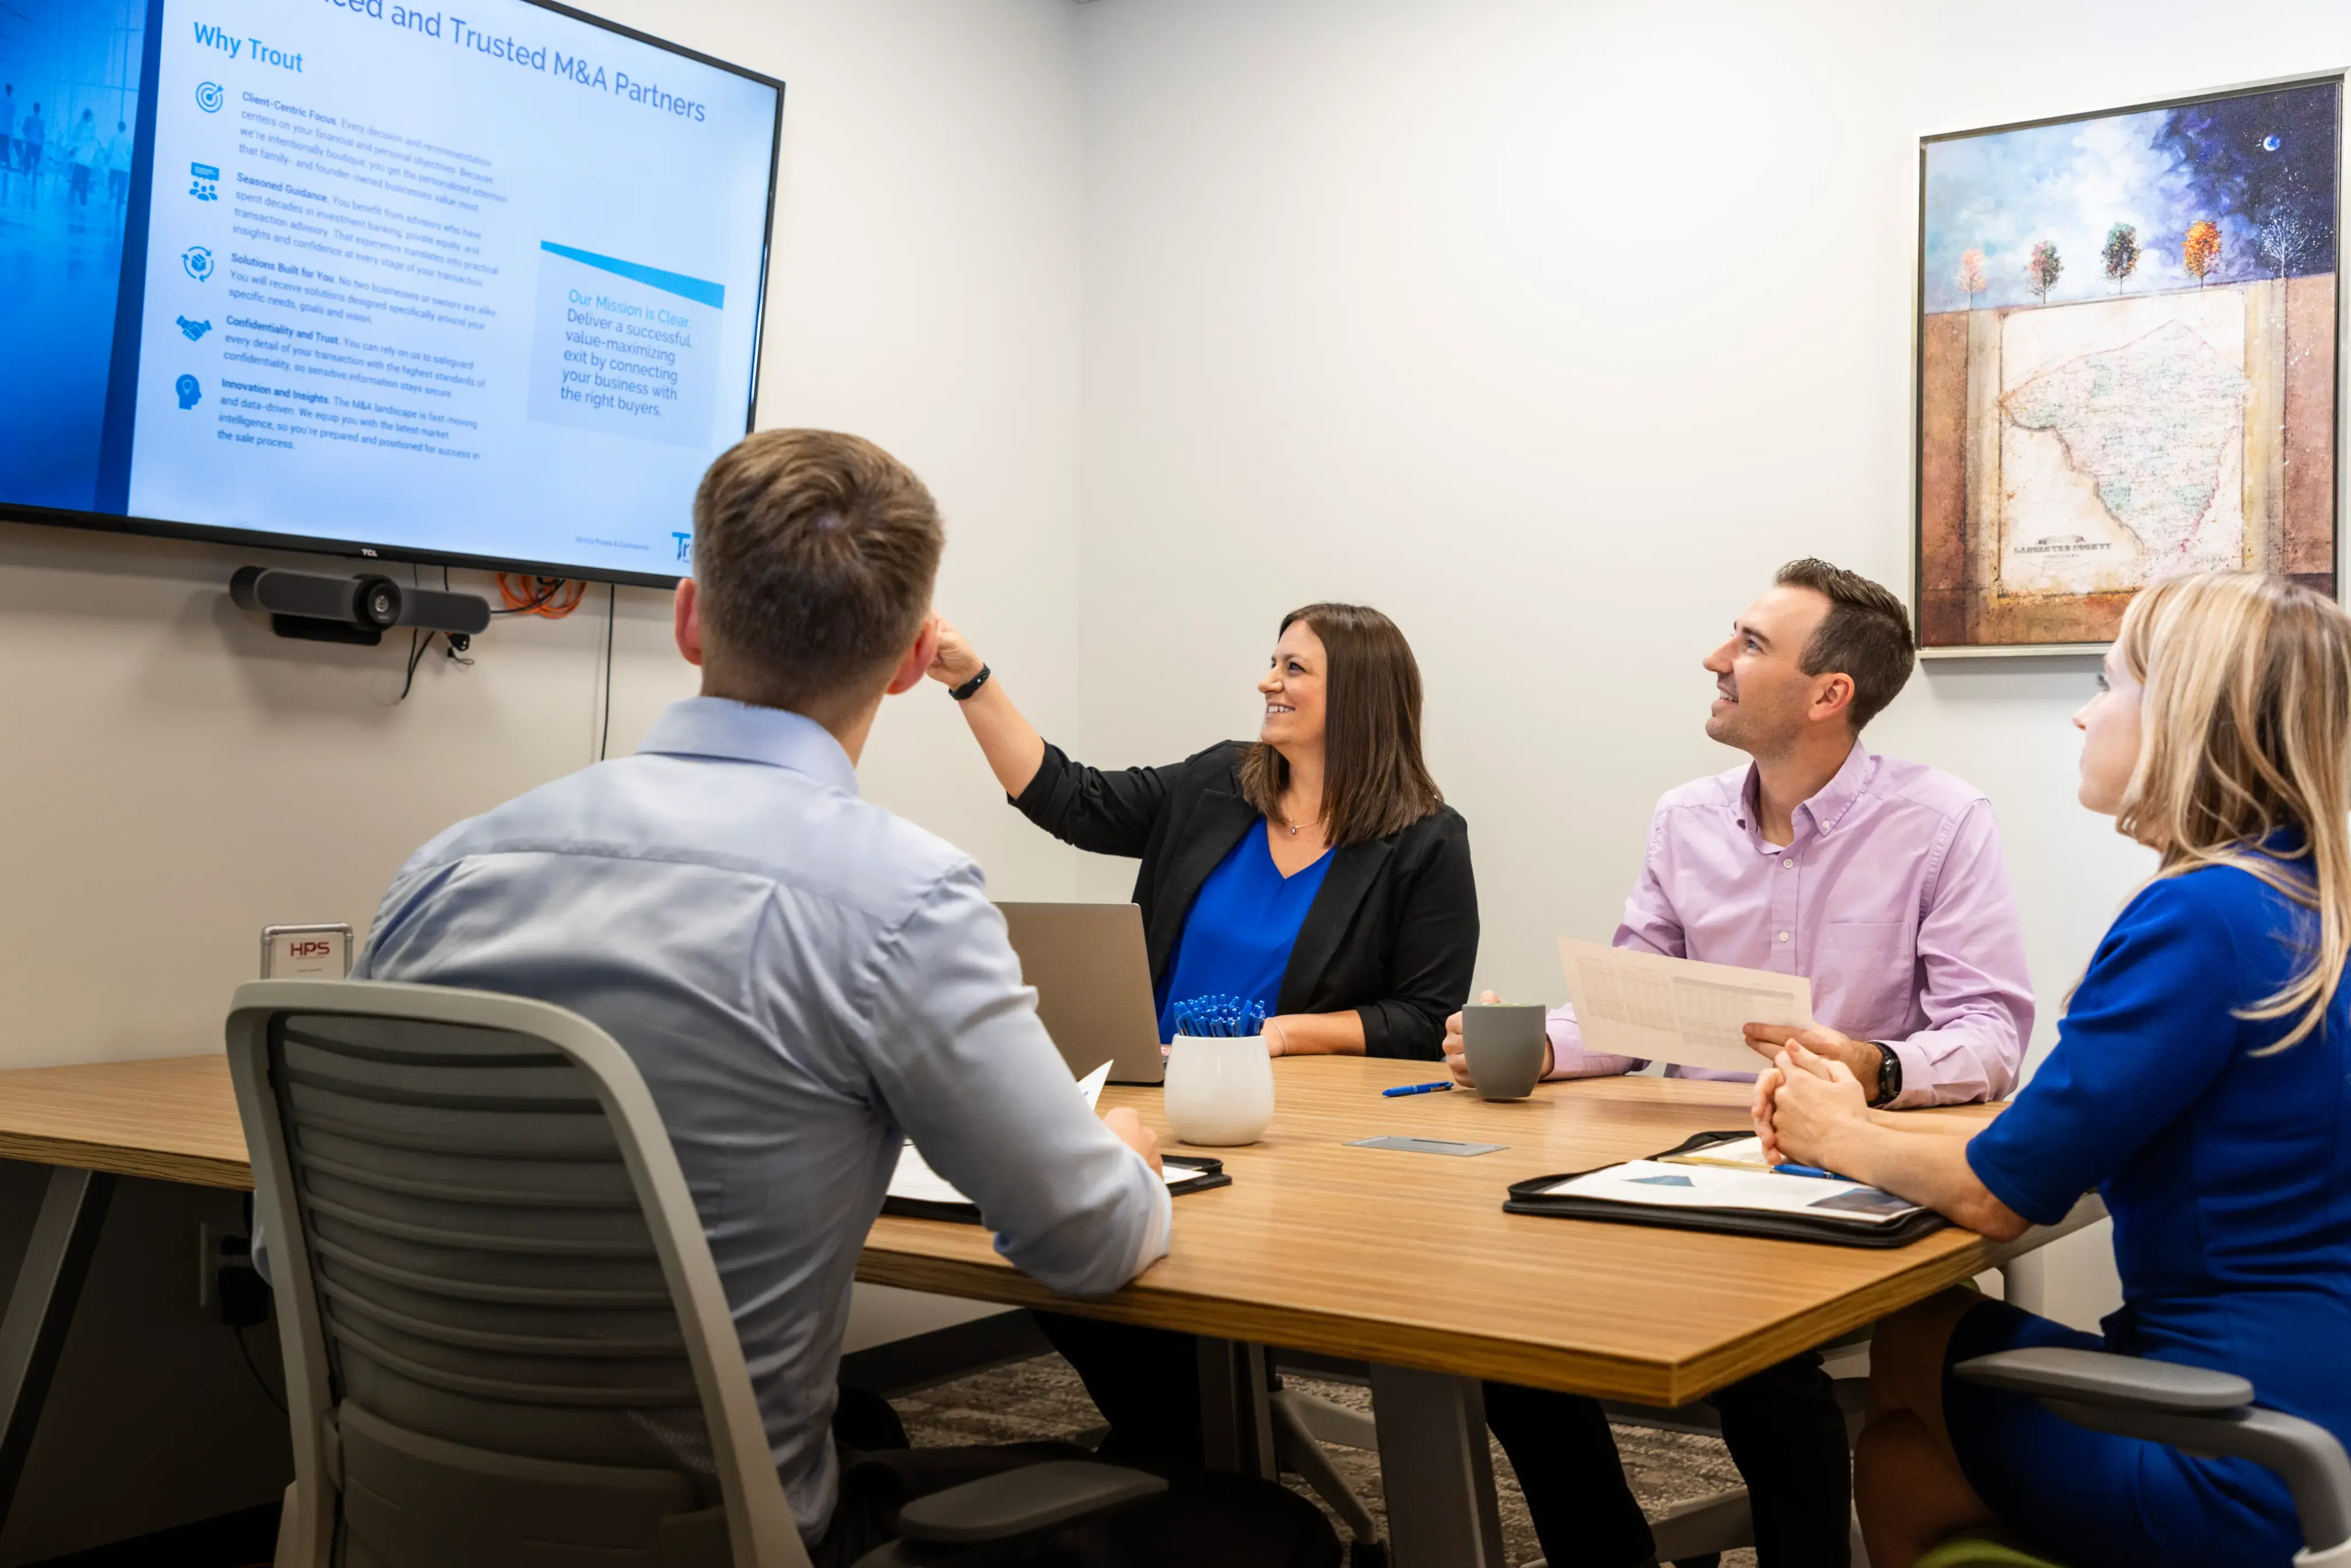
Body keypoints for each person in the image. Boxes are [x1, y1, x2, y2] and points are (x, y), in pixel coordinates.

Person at [356, 429, 1339, 1568]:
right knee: (1266, 1533)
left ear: (688, 618)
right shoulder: (897, 897)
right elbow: (1088, 1242)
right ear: (914, 658)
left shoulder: (441, 873)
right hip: (718, 1537)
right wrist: (1106, 1147)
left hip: (405, 1517)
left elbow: (299, 1260)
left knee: (862, 1423)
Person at [1446, 558, 2032, 1568]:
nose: (1716, 659)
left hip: (1839, 1163)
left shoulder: (1941, 821)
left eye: (1751, 645)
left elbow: (1989, 1032)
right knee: (1513, 1339)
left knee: (1765, 1372)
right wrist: (1542, 1040)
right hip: (1691, 1159)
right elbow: (1635, 1005)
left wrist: (1871, 1063)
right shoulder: (1686, 817)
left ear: (1828, 694)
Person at [1758, 570, 2351, 1568]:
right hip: (2317, 1409)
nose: (2084, 714)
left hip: (2243, 1448)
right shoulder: (2305, 901)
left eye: (2107, 682)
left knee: (1910, 1341)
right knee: (1904, 1457)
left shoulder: (2203, 917)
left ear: (2184, 719)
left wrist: (1839, 1130)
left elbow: (2000, 1193)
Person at [927, 602, 1476, 1464]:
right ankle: (1180, 1438)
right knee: (1041, 1242)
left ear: (1360, 694)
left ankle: (1183, 1453)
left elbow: (1421, 1016)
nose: (1269, 681)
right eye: (1274, 662)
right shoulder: (1218, 784)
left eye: (1295, 669)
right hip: (1152, 1103)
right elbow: (1071, 798)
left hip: (1294, 1133)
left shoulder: (1424, 841)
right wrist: (970, 678)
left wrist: (1282, 1036)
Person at [104, 119, 131, 209]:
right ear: (125, 129)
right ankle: (120, 201)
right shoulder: (128, 140)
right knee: (122, 185)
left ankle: (111, 194)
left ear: (118, 128)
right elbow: (131, 153)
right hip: (124, 167)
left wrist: (106, 160)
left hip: (114, 165)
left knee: (111, 181)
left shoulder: (113, 138)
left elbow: (108, 151)